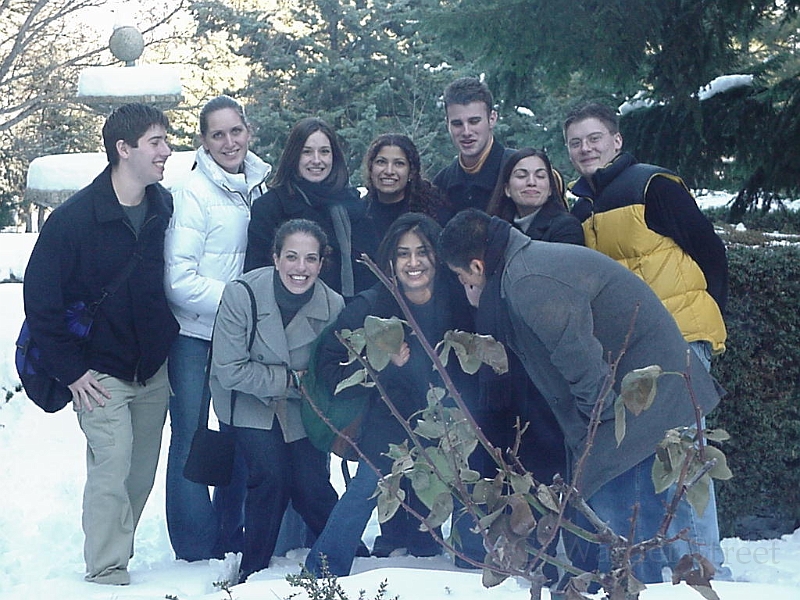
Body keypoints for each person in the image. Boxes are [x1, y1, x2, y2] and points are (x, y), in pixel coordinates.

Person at [439, 209, 728, 585]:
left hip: (644, 417)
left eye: (462, 276)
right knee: (627, 532)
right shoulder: (524, 266)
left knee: (635, 538)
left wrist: (595, 448)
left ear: (477, 266)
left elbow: (586, 371)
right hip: (636, 408)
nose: (464, 285)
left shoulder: (530, 280)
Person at [22, 103, 179, 585]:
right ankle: (106, 571)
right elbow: (41, 303)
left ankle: (119, 552)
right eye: (155, 142)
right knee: (111, 465)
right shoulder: (72, 220)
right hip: (97, 371)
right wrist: (70, 371)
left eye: (165, 141)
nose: (166, 150)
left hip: (152, 366)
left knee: (140, 472)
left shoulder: (163, 206)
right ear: (123, 149)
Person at [305, 213, 476, 577]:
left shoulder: (460, 297)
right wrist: (379, 360)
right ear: (390, 260)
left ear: (437, 256)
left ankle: (471, 568)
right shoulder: (372, 305)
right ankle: (322, 572)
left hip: (450, 414)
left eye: (422, 252)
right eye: (403, 254)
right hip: (390, 414)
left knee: (469, 477)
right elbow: (329, 364)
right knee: (368, 483)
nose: (413, 263)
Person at [163, 95, 271, 562]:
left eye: (236, 131)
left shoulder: (261, 185)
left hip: (243, 340)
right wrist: (240, 305)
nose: (229, 142)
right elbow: (179, 280)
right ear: (203, 141)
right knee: (190, 435)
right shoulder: (192, 193)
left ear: (249, 131)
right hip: (195, 336)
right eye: (217, 134)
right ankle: (193, 543)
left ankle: (232, 532)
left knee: (242, 433)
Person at [210, 219, 344, 582]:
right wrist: (288, 380)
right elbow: (229, 369)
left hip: (301, 405)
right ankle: (253, 569)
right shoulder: (243, 294)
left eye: (311, 259)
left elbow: (329, 370)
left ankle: (343, 555)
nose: (300, 268)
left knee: (310, 484)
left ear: (321, 263)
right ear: (275, 258)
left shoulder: (332, 305)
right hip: (248, 399)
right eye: (292, 257)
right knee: (270, 475)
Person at [564, 102, 727, 366]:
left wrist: (709, 312)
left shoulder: (653, 186)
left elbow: (710, 250)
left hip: (678, 337)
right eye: (575, 143)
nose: (585, 148)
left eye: (594, 138)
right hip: (627, 345)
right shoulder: (582, 211)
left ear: (617, 141)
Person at [245, 117, 374, 297]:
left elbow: (367, 271)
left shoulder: (354, 206)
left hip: (347, 315)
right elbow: (257, 276)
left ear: (334, 156)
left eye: (324, 152)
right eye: (307, 152)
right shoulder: (270, 207)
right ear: (294, 155)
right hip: (288, 316)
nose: (316, 160)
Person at [433, 77, 514, 219]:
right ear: (447, 124)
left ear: (492, 119)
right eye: (457, 124)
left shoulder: (520, 171)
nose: (466, 132)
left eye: (474, 121)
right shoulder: (441, 184)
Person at [487, 147, 584, 245]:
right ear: (507, 189)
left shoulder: (567, 227)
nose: (531, 182)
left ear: (550, 188)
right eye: (521, 175)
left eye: (540, 176)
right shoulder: (496, 228)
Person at [363, 133, 451, 236]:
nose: (389, 171)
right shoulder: (358, 215)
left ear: (411, 171)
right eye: (381, 162)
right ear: (371, 168)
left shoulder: (435, 213)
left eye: (399, 163)